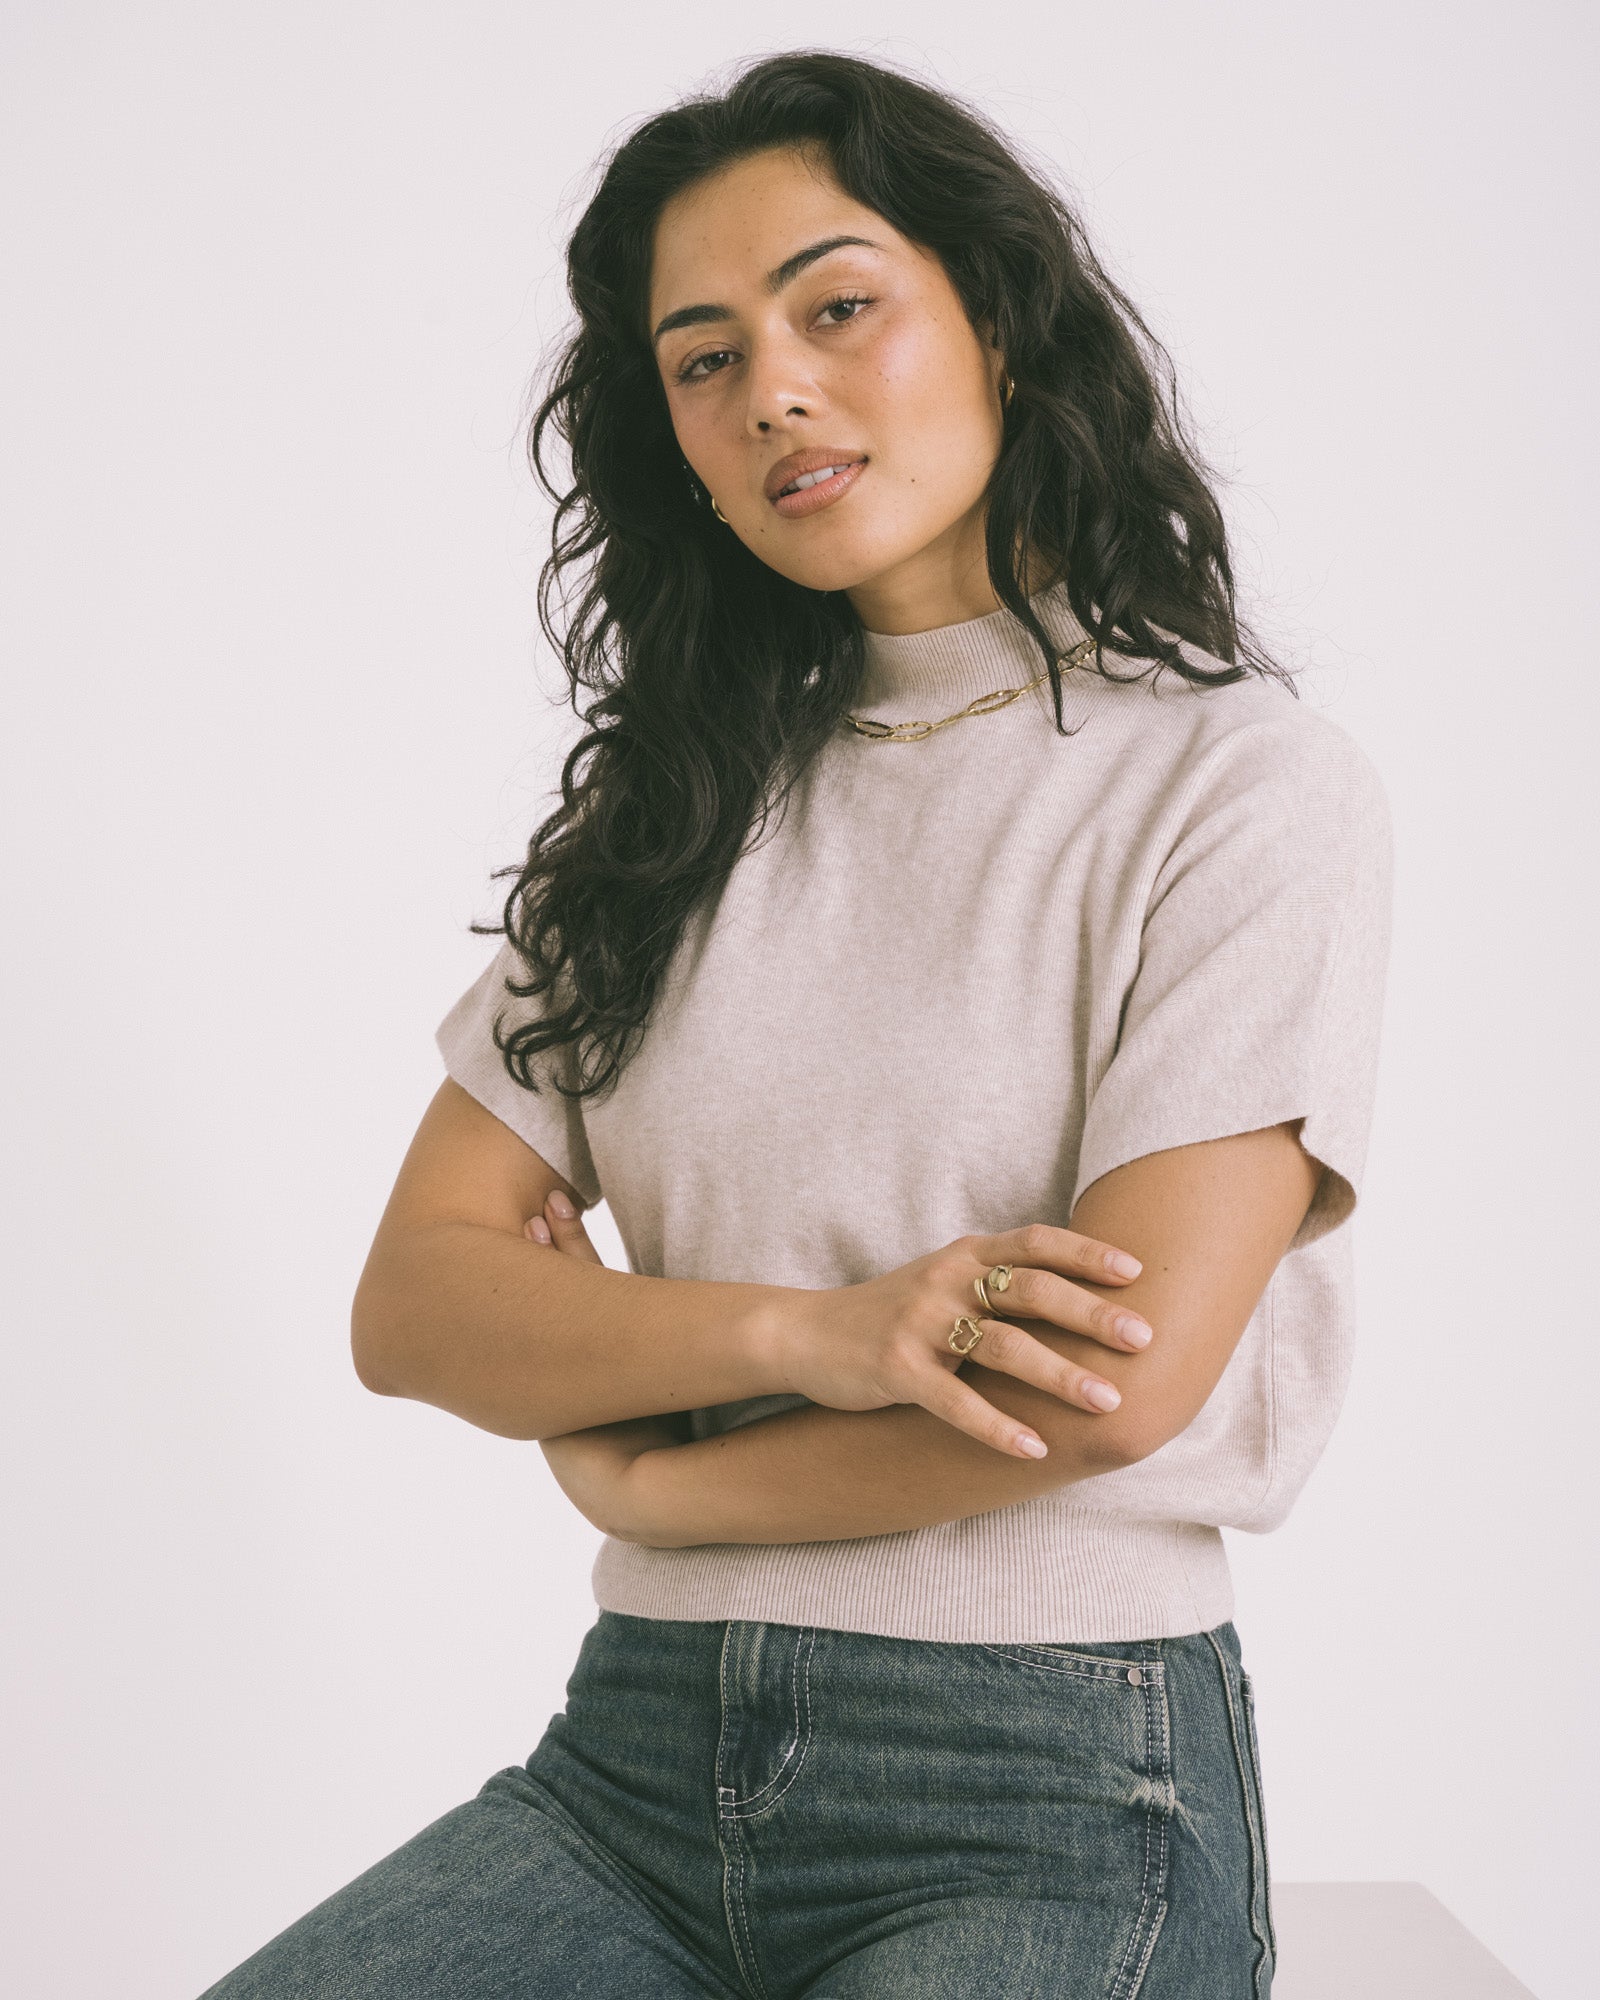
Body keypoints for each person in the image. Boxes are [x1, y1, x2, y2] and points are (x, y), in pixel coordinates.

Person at [200, 47, 1391, 2000]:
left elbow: (1107, 1387)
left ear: (995, 315)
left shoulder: (1236, 788)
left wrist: (651, 1470)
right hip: (630, 1767)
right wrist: (811, 1335)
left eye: (835, 307)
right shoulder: (664, 817)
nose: (769, 390)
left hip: (1051, 1783)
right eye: (702, 357)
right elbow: (413, 1306)